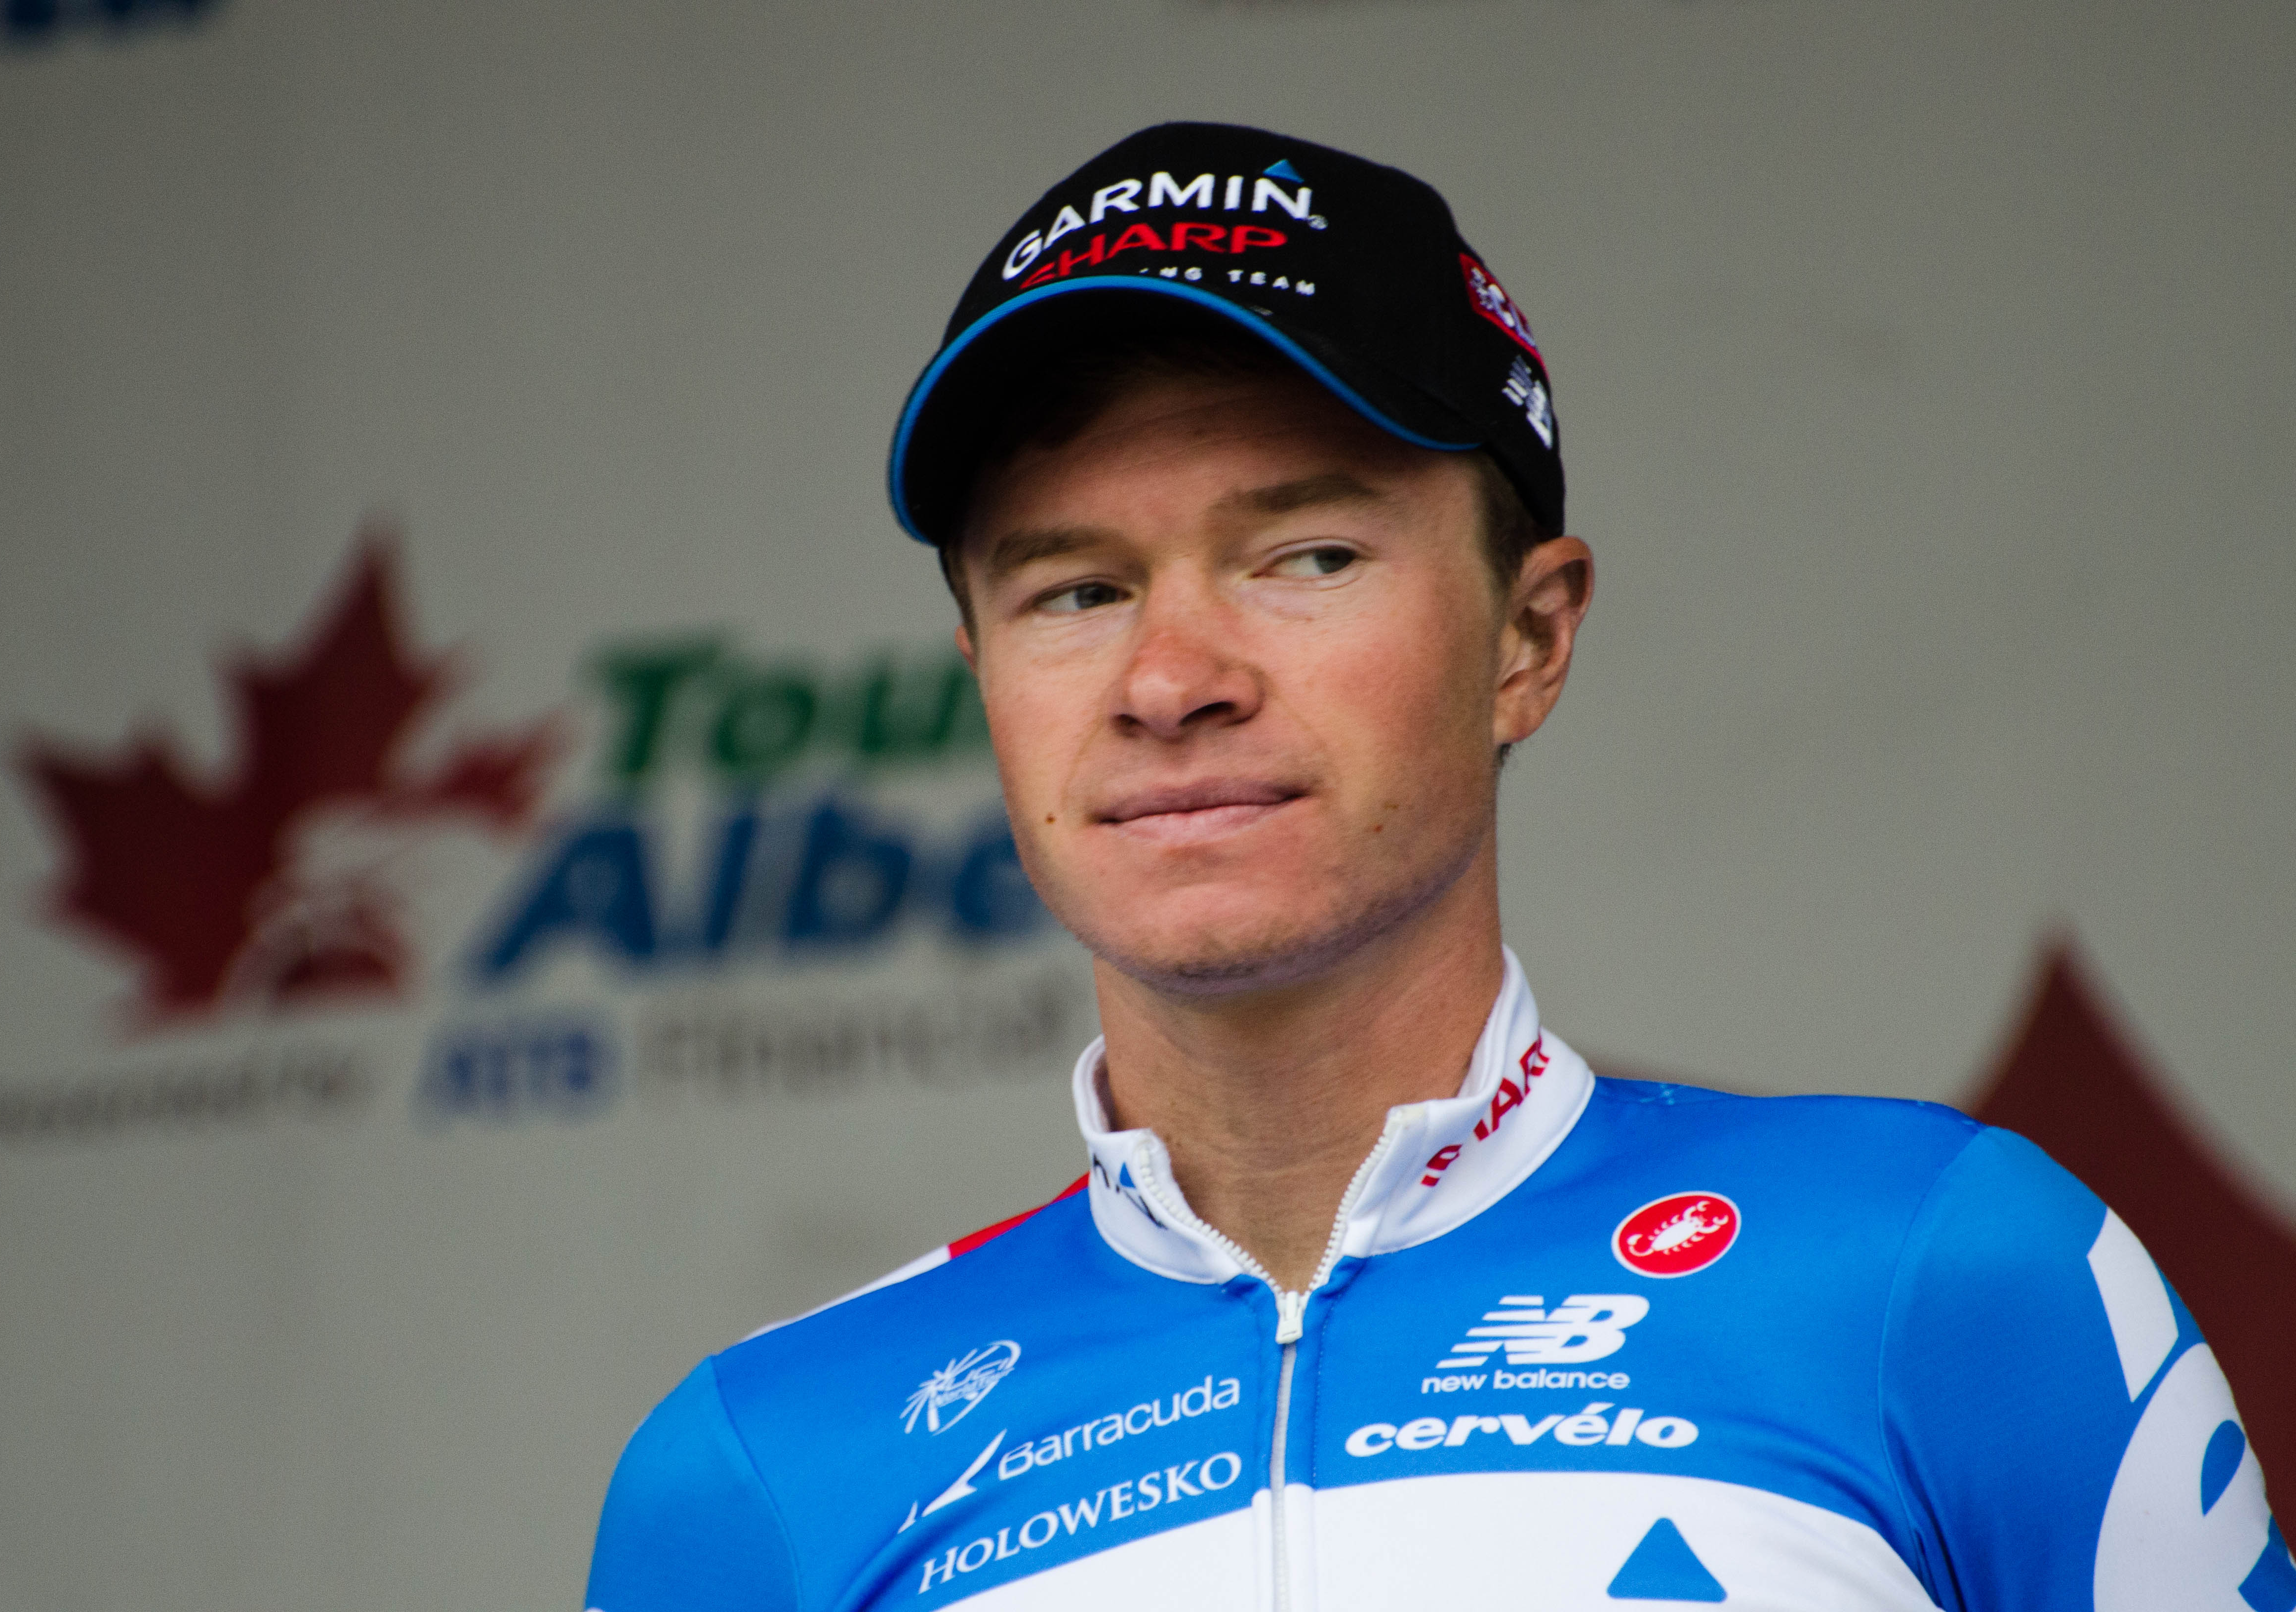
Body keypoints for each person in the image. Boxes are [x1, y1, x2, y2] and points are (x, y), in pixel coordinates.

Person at [584, 122, 2291, 1611]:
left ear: (1529, 640)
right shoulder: (760, 1470)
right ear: (984, 684)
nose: (1174, 680)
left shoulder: (1938, 1271)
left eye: (1305, 555)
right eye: (1075, 592)